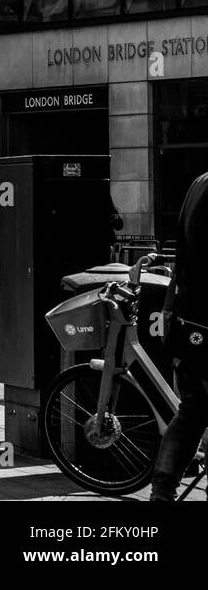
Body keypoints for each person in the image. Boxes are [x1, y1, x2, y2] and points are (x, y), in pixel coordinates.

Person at [151, 171, 208, 501]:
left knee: (192, 411)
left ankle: (162, 492)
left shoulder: (198, 182)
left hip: (188, 322)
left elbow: (181, 254)